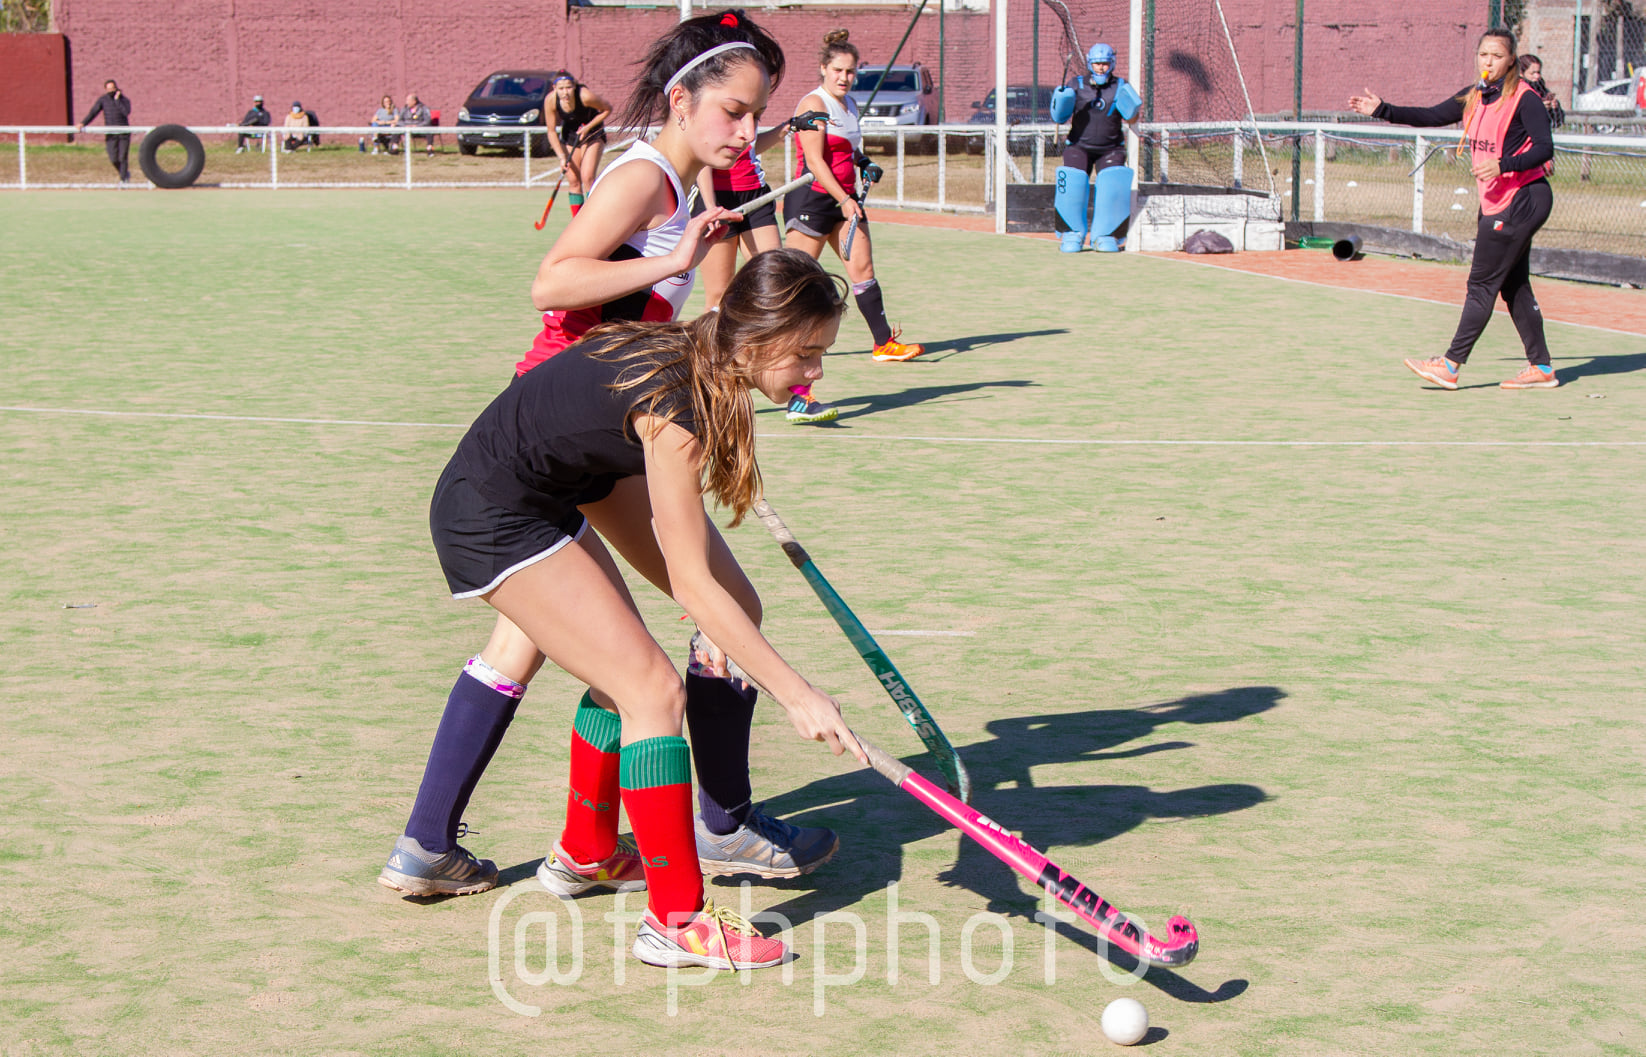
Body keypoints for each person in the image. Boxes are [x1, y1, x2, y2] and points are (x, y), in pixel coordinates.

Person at [382, 11, 846, 933]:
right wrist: (672, 255)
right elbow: (552, 281)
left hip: (621, 420)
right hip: (571, 423)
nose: (745, 133)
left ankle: (501, 844)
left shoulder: (692, 182)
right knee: (647, 644)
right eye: (732, 112)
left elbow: (715, 320)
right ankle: (699, 832)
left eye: (756, 116)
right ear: (682, 99)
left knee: (603, 638)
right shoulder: (646, 176)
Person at [1350, 28, 1559, 390]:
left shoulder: (1524, 98)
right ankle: (1541, 367)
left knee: (1481, 284)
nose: (1488, 62)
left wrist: (1504, 163)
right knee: (1513, 285)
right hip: (1499, 199)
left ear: (1512, 60)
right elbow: (1432, 115)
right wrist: (1382, 109)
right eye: (1483, 55)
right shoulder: (1475, 95)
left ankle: (1450, 365)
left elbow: (1544, 148)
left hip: (1524, 197)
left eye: (1496, 55)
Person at [784, 29, 925, 363]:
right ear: (823, 68)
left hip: (844, 200)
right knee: (794, 281)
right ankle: (777, 347)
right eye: (838, 70)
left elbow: (847, 146)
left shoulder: (848, 104)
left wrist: (864, 162)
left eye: (850, 71)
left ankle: (883, 343)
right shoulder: (813, 103)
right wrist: (844, 199)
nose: (845, 77)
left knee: (863, 270)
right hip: (813, 200)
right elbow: (815, 161)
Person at [692, 109, 837, 424]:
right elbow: (702, 157)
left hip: (755, 196)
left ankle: (799, 395)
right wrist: (711, 205)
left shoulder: (746, 112)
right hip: (718, 200)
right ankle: (713, 387)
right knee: (719, 299)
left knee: (784, 296)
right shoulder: (714, 107)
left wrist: (787, 127)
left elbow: (752, 146)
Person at [1048, 42, 1140, 252]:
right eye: (1097, 63)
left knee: (1111, 186)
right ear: (1090, 64)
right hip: (1078, 146)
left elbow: (1132, 117)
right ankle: (1072, 234)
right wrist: (1061, 99)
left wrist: (1133, 106)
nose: (1101, 68)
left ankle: (1105, 235)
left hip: (1111, 147)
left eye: (1105, 64)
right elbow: (1059, 117)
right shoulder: (1076, 84)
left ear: (1112, 64)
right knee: (1072, 185)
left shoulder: (1120, 86)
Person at [548, 71, 613, 216]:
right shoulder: (551, 101)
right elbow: (551, 131)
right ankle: (578, 222)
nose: (565, 92)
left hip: (592, 132)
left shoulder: (585, 96)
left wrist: (588, 127)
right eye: (561, 88)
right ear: (554, 88)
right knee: (573, 180)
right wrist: (561, 157)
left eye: (569, 87)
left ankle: (594, 218)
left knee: (587, 176)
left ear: (574, 86)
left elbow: (607, 109)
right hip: (571, 135)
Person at [77, 79, 132, 183]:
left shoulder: (124, 100)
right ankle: (124, 173)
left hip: (124, 133)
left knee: (122, 157)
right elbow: (93, 112)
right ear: (106, 89)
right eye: (109, 89)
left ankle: (124, 180)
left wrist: (117, 100)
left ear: (116, 88)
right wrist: (83, 123)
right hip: (110, 134)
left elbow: (126, 112)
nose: (111, 90)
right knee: (113, 158)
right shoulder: (103, 100)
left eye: (113, 88)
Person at [1518, 54, 1565, 129]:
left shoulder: (1541, 88)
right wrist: (1538, 107)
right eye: (1532, 73)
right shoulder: (1516, 89)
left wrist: (1554, 108)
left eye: (1538, 72)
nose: (1537, 76)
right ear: (1521, 73)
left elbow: (1557, 122)